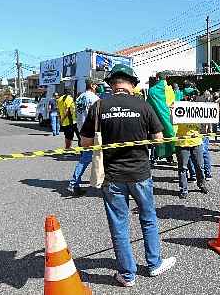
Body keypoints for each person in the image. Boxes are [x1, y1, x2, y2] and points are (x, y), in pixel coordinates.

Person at [80, 64, 176, 287]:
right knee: (148, 218)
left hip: (112, 176)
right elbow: (158, 139)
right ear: (132, 84)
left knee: (119, 225)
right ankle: (154, 264)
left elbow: (85, 143)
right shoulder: (143, 105)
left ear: (112, 84)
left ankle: (127, 275)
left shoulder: (99, 105)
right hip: (140, 173)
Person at [67, 78, 100, 196]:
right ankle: (73, 183)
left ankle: (75, 183)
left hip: (82, 131)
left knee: (85, 158)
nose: (98, 87)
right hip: (92, 133)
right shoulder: (94, 99)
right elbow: (98, 117)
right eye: (96, 85)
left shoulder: (79, 98)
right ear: (92, 85)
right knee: (87, 159)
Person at [176, 90, 208, 199]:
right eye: (189, 95)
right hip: (182, 143)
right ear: (185, 96)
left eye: (193, 95)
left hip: (196, 142)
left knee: (199, 166)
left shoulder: (199, 107)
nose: (191, 97)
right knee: (183, 168)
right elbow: (172, 121)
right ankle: (184, 189)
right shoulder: (178, 106)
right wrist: (171, 112)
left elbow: (204, 126)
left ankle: (201, 184)